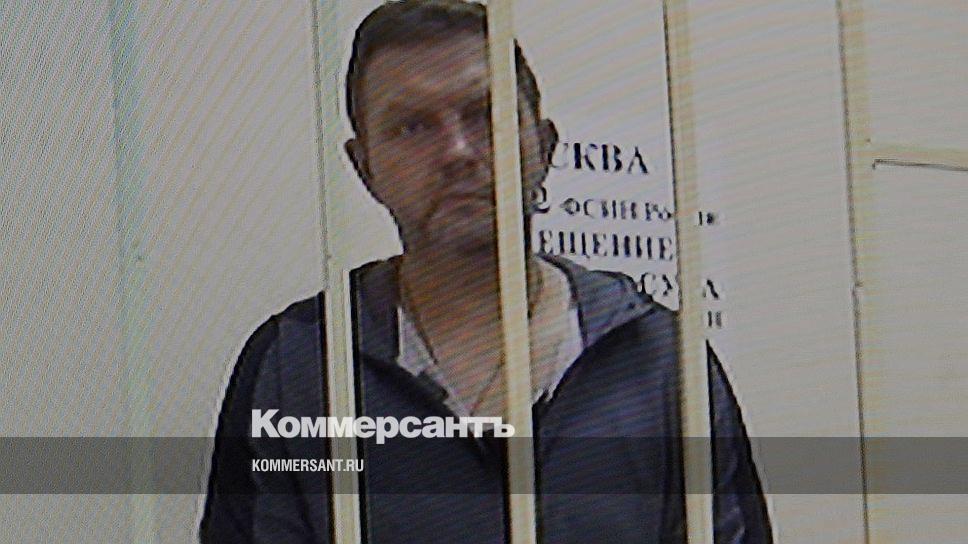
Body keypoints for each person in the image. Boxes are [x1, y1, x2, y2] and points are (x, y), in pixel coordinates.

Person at [201, 1, 772, 542]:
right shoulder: (299, 367)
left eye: (486, 115)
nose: (457, 151)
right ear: (365, 168)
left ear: (543, 145)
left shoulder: (659, 361)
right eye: (412, 126)